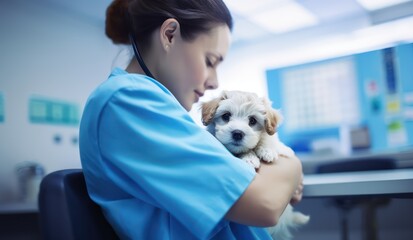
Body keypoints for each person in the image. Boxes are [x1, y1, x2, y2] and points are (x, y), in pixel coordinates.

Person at [79, 0, 304, 239]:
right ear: (170, 35)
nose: (215, 82)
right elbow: (266, 203)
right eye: (210, 61)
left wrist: (280, 181)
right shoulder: (128, 100)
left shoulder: (151, 105)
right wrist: (293, 167)